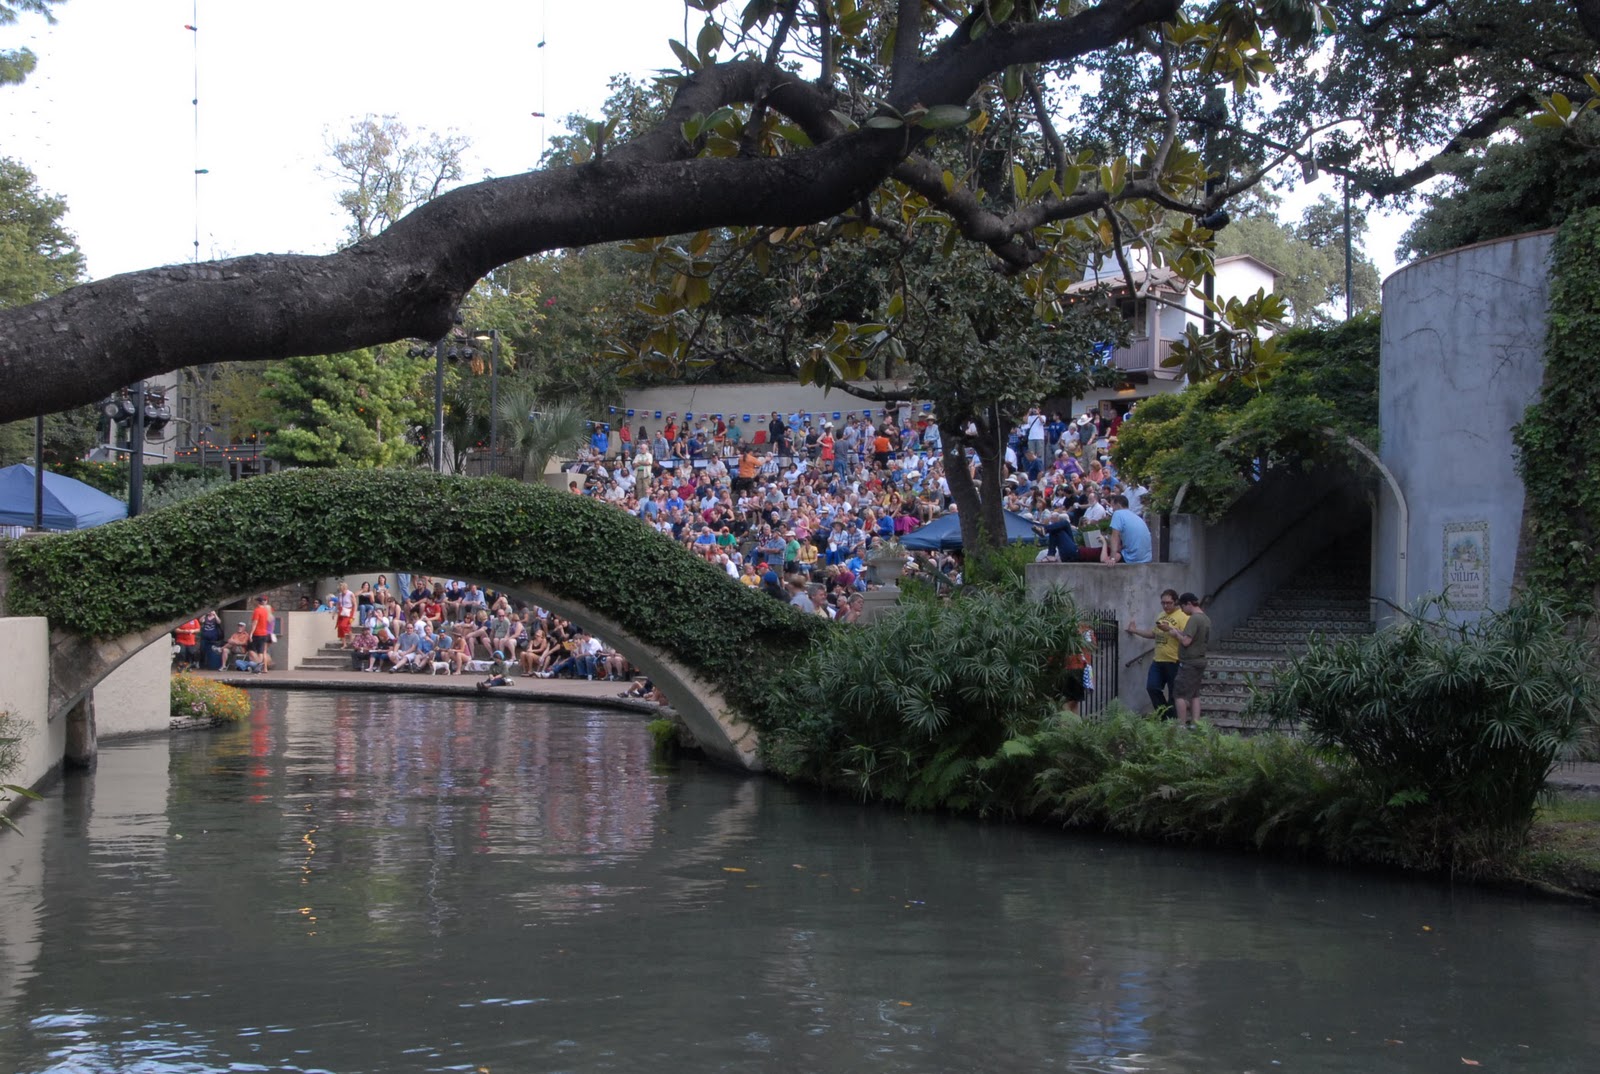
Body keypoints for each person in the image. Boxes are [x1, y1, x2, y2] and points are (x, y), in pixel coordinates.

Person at [1125, 588, 1187, 716]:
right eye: (1163, 603)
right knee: (1152, 687)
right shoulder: (1161, 615)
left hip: (1174, 660)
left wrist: (1169, 628)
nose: (1165, 606)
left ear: (1175, 602)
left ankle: (1172, 722)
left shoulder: (1183, 617)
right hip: (1158, 660)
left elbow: (1187, 637)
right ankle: (1164, 716)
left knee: (1173, 694)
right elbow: (1154, 634)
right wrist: (1135, 631)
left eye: (1168, 603)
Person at [1164, 592, 1212, 727]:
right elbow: (1195, 638)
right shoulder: (1206, 618)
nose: (1183, 611)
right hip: (1200, 660)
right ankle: (1196, 723)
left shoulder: (1194, 619)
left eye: (1182, 607)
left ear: (1189, 604)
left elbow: (1186, 641)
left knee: (1179, 694)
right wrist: (1178, 631)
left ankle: (1181, 726)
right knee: (1195, 693)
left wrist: (1175, 635)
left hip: (1189, 663)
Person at [1102, 493, 1153, 564]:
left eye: (1113, 506)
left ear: (1118, 505)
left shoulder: (1118, 514)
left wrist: (1112, 558)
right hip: (1146, 557)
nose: (1112, 509)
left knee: (1104, 559)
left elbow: (1114, 537)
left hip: (1133, 557)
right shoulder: (1135, 516)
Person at [248, 596, 274, 671]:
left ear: (257, 602)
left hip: (257, 633)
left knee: (251, 649)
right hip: (264, 633)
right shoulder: (265, 611)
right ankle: (261, 666)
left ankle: (257, 664)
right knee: (261, 651)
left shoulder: (257, 610)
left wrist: (251, 633)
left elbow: (255, 622)